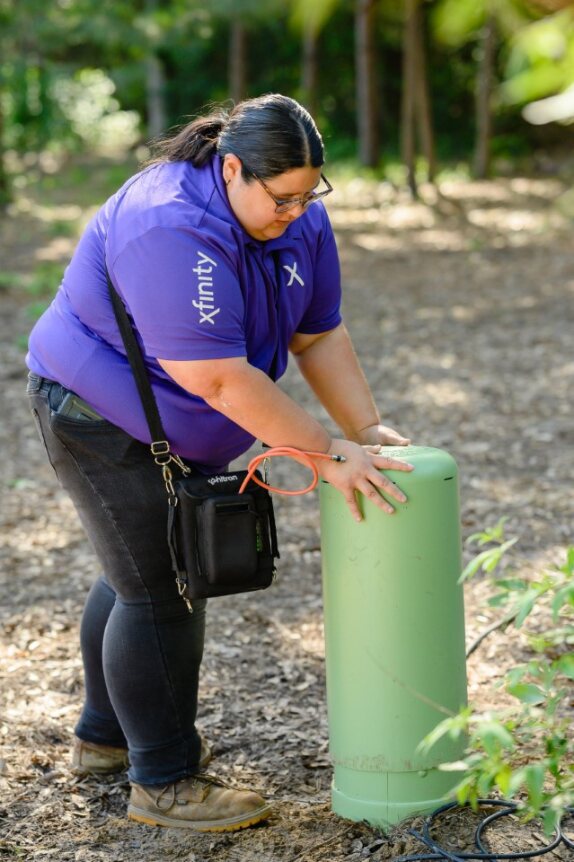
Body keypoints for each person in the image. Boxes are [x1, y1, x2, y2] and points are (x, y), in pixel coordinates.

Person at [26, 93, 413, 833]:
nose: (297, 212)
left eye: (310, 195)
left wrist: (364, 427)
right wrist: (327, 454)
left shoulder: (296, 216)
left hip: (162, 426)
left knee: (135, 571)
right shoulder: (169, 225)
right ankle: (163, 782)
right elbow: (217, 379)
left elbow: (318, 335)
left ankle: (107, 740)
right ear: (231, 168)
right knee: (166, 585)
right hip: (95, 415)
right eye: (282, 198)